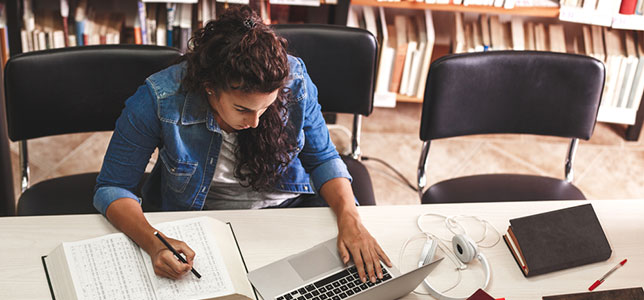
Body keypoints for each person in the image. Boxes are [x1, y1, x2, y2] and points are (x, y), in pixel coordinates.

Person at [94, 6, 391, 283]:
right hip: (198, 221)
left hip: (288, 210)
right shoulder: (159, 99)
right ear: (209, 87)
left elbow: (322, 158)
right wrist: (154, 242)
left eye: (265, 108)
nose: (255, 123)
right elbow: (113, 187)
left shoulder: (295, 80)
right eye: (242, 109)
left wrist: (351, 218)